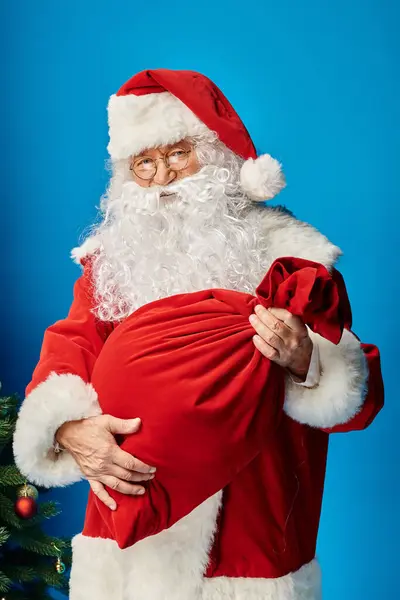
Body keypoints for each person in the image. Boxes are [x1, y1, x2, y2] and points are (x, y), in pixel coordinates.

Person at [13, 69, 384, 600]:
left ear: (216, 155)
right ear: (126, 175)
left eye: (178, 153)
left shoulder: (292, 259)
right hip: (131, 553)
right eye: (145, 163)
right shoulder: (112, 265)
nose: (163, 177)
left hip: (254, 547)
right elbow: (70, 348)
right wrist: (67, 428)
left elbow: (361, 400)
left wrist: (308, 359)